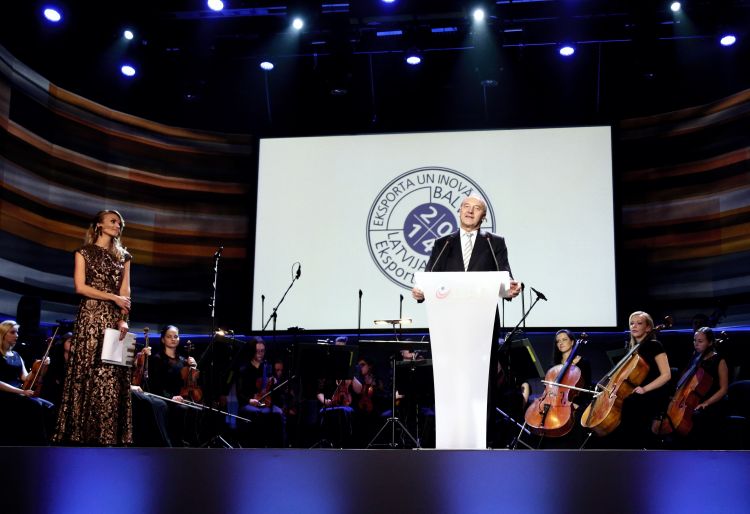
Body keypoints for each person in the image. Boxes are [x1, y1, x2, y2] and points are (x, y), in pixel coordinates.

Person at [411, 194, 521, 447]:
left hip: (483, 325)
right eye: (466, 207)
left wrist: (511, 289)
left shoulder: (494, 242)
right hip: (448, 325)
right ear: (459, 211)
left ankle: (482, 441)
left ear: (483, 216)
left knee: (483, 384)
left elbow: (505, 277)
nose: (470, 211)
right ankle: (449, 439)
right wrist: (420, 291)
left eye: (477, 208)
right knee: (451, 381)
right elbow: (429, 277)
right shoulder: (444, 243)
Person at [53, 210, 133, 446]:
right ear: (99, 225)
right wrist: (113, 297)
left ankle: (108, 435)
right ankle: (80, 433)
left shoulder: (124, 256)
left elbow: (126, 291)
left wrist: (124, 318)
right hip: (89, 318)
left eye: (119, 223)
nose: (117, 225)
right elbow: (80, 287)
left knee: (111, 375)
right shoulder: (83, 252)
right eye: (112, 221)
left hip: (113, 319)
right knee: (87, 371)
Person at [611, 311, 672, 449]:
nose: (634, 326)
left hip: (650, 393)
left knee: (629, 406)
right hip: (635, 392)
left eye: (639, 323)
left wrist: (645, 389)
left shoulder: (655, 345)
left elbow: (666, 375)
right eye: (632, 323)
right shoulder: (632, 349)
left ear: (648, 328)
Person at [664, 327, 729, 449]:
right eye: (695, 340)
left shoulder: (719, 361)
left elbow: (723, 389)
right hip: (692, 401)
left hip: (711, 403)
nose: (696, 344)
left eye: (700, 341)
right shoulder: (696, 357)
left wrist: (706, 403)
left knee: (696, 419)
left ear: (710, 342)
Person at [0, 320, 54, 445]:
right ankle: (39, 444)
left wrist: (41, 365)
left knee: (49, 406)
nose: (17, 335)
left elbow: (25, 377)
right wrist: (21, 391)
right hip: (5, 394)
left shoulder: (16, 355)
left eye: (17, 332)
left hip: (19, 392)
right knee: (36, 406)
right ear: (3, 334)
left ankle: (44, 441)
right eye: (13, 332)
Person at [235, 337, 286, 447]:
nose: (260, 354)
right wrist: (250, 400)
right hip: (249, 402)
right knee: (259, 414)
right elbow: (239, 392)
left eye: (262, 351)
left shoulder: (268, 367)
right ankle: (257, 446)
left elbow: (275, 389)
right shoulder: (244, 369)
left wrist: (274, 382)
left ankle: (279, 448)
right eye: (258, 351)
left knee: (279, 413)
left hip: (266, 402)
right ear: (252, 351)